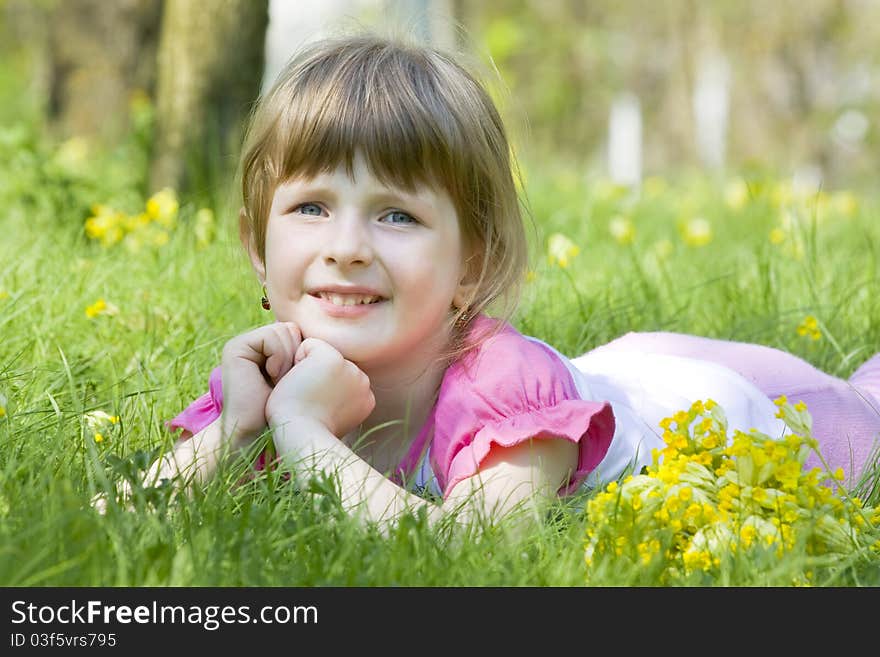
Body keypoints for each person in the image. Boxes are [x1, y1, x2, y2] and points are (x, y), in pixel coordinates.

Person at [123, 33, 880, 531]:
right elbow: (113, 518)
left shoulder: (500, 386)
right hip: (627, 365)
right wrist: (243, 424)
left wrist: (302, 431)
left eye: (396, 216)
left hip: (737, 411)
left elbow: (469, 553)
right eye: (312, 206)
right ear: (259, 243)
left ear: (473, 265)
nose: (346, 247)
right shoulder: (278, 375)